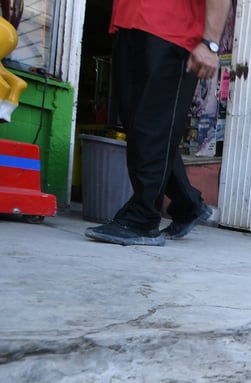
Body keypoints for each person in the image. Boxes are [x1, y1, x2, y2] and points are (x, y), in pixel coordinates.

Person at [85, 0, 231, 246]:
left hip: (173, 34)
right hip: (128, 25)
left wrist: (210, 43)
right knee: (140, 126)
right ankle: (187, 204)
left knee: (152, 127)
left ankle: (143, 217)